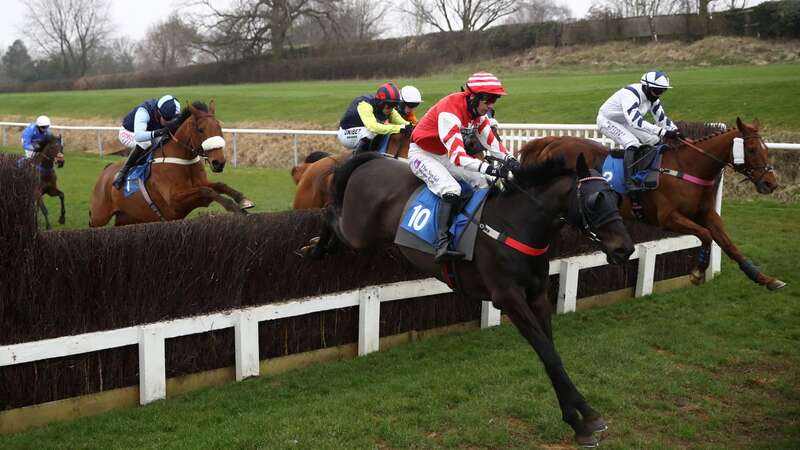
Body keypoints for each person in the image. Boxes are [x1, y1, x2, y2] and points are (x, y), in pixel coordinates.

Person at [409, 71, 519, 262]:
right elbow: (459, 157)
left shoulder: (476, 112)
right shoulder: (449, 111)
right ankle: (441, 244)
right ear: (475, 97)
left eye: (495, 100)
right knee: (452, 189)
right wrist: (490, 167)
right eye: (489, 100)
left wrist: (509, 159)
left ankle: (473, 227)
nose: (491, 106)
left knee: (487, 181)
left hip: (443, 154)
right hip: (422, 154)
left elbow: (491, 142)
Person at [597, 70, 682, 191]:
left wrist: (676, 131)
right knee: (632, 143)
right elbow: (636, 121)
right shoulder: (630, 94)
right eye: (657, 90)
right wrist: (663, 132)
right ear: (646, 87)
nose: (659, 94)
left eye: (663, 91)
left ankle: (646, 174)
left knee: (654, 140)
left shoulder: (653, 99)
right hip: (608, 121)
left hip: (626, 121)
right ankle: (629, 182)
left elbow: (662, 120)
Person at [112, 95, 181, 190]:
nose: (170, 122)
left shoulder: (172, 111)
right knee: (145, 143)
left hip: (148, 133)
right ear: (158, 113)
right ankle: (123, 172)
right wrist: (160, 132)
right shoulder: (144, 112)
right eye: (167, 120)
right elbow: (139, 136)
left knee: (165, 141)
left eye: (173, 119)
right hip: (129, 133)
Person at [337, 82, 412, 154]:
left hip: (360, 131)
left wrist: (412, 127)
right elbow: (373, 127)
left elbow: (403, 123)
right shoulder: (365, 105)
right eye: (389, 105)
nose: (391, 108)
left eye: (394, 105)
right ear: (380, 103)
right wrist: (401, 128)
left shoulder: (389, 109)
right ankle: (358, 159)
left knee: (385, 130)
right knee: (371, 132)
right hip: (346, 133)